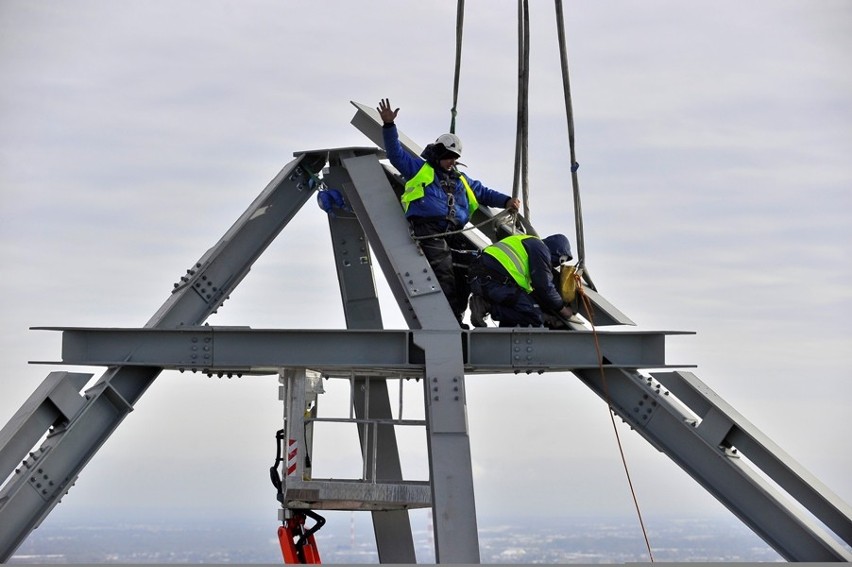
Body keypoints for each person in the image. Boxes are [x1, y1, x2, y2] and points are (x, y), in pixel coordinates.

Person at [377, 98, 521, 328]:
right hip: (429, 232)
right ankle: (449, 323)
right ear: (438, 154)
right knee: (444, 272)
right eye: (448, 157)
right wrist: (389, 126)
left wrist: (506, 201)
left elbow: (483, 192)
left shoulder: (460, 179)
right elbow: (396, 155)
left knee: (469, 271)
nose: (451, 161)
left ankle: (460, 317)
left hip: (453, 233)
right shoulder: (420, 170)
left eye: (454, 158)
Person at [468, 233, 575, 328]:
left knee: (524, 307)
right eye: (561, 260)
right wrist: (563, 310)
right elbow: (544, 286)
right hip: (494, 283)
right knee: (534, 316)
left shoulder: (526, 242)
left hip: (481, 280)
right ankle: (486, 306)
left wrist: (548, 317)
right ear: (557, 251)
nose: (557, 264)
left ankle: (487, 307)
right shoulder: (541, 249)